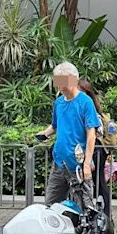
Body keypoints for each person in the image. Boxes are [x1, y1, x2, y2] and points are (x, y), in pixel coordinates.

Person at [36, 62, 100, 207]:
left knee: (85, 206)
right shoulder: (59, 103)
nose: (59, 85)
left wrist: (87, 164)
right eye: (57, 81)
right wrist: (44, 134)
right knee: (51, 205)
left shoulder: (85, 102)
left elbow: (91, 134)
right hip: (59, 162)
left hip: (78, 164)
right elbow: (55, 126)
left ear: (73, 79)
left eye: (62, 80)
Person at [78, 79, 113, 218]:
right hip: (90, 150)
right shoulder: (85, 106)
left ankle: (105, 215)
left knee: (98, 182)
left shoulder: (89, 108)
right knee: (91, 182)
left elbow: (95, 132)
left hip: (96, 150)